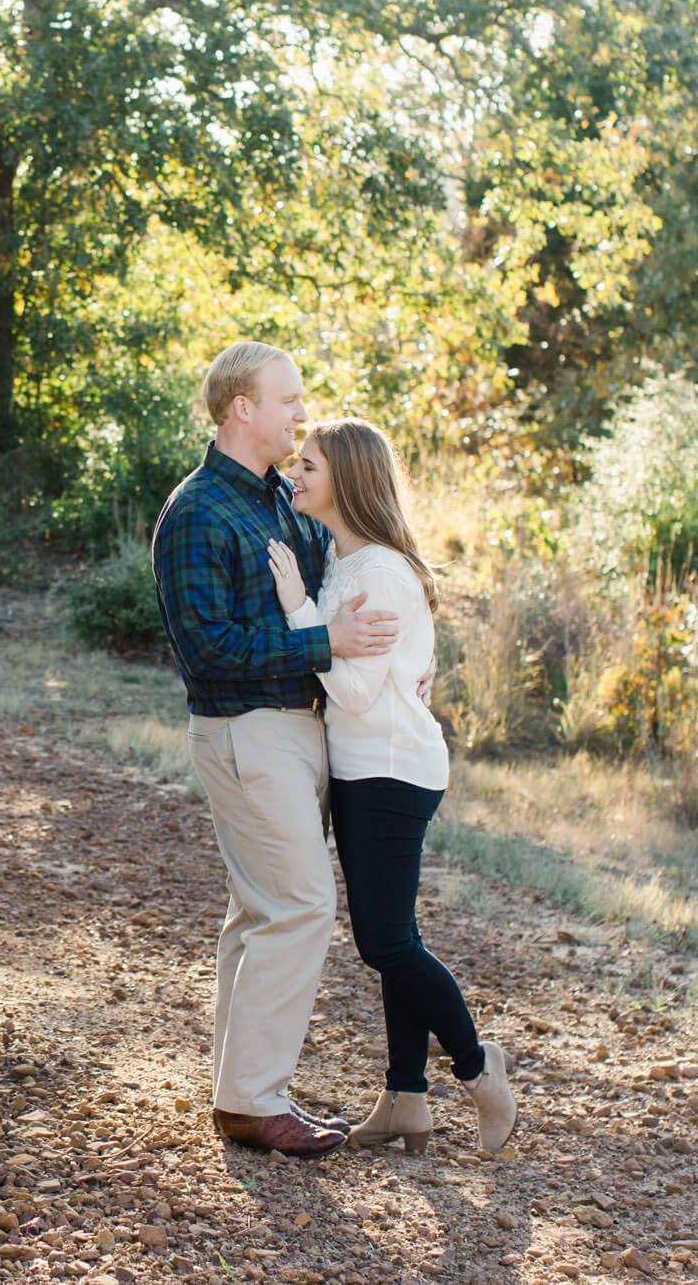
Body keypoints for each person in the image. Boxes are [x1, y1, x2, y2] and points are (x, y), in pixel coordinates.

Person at [151, 342, 400, 1158]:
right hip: (245, 728)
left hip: (299, 731)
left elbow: (344, 578)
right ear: (241, 409)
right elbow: (210, 650)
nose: (301, 413)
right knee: (300, 905)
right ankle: (257, 1100)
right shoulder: (196, 513)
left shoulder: (281, 504)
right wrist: (326, 642)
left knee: (259, 911)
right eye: (288, 399)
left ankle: (239, 1094)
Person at [266, 417, 517, 1156]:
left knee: (385, 945)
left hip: (390, 771)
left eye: (308, 465)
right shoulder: (350, 560)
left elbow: (348, 691)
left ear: (345, 478)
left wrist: (296, 608)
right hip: (364, 766)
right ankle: (406, 1095)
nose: (295, 474)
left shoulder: (375, 572)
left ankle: (479, 1070)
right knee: (394, 938)